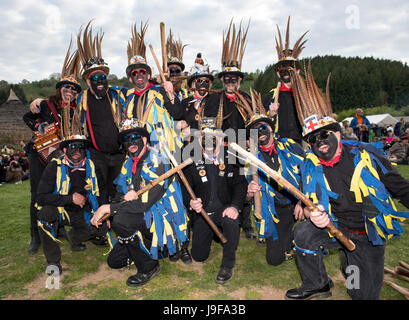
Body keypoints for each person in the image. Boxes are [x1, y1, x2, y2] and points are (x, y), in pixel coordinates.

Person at [284, 64, 409, 300]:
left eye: (324, 134)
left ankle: (351, 260)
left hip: (367, 231)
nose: (319, 142)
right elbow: (310, 200)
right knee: (303, 234)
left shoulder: (367, 156)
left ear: (338, 134)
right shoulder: (310, 164)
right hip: (335, 225)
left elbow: (400, 187)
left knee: (360, 294)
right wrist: (313, 214)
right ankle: (318, 284)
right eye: (312, 139)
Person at [90, 112, 188, 287]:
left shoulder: (159, 161)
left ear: (144, 140)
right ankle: (146, 247)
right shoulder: (128, 163)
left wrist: (109, 209)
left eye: (135, 137)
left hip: (160, 220)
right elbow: (120, 193)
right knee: (115, 261)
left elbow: (144, 204)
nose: (130, 143)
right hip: (139, 214)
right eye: (126, 139)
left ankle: (149, 267)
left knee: (121, 221)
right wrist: (115, 205)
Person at [23, 42, 81, 254]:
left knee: (60, 192)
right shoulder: (46, 104)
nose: (70, 91)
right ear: (60, 88)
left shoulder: (76, 111)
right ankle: (35, 236)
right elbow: (27, 117)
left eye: (74, 89)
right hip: (39, 156)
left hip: (60, 158)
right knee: (38, 194)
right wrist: (39, 125)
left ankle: (57, 229)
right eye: (67, 87)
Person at [36, 110, 110, 275]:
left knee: (102, 228)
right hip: (61, 209)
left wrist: (104, 213)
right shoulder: (54, 166)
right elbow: (41, 197)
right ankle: (53, 262)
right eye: (72, 146)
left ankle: (74, 237)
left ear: (85, 150)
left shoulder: (93, 166)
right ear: (64, 150)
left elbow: (102, 191)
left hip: (83, 212)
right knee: (45, 215)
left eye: (80, 146)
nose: (77, 150)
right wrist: (70, 198)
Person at [236, 89, 305, 265]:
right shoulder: (249, 161)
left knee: (306, 234)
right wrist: (250, 193)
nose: (260, 132)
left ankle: (306, 235)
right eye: (254, 131)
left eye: (263, 127)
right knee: (274, 260)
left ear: (271, 127)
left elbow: (311, 177)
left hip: (298, 204)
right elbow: (245, 198)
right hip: (275, 210)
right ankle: (290, 237)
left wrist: (302, 202)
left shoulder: (291, 147)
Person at [182, 114, 247, 284]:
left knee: (231, 222)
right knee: (198, 256)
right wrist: (191, 201)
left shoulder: (231, 157)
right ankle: (211, 234)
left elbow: (241, 184)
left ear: (220, 138)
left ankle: (227, 265)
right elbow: (184, 187)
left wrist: (234, 206)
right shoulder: (191, 159)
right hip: (202, 212)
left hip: (224, 208)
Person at [123, 22, 183, 156]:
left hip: (163, 150)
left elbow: (178, 113)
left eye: (142, 71)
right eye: (134, 73)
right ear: (130, 79)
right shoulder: (128, 98)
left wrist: (171, 94)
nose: (139, 75)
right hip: (138, 150)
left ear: (148, 75)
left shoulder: (160, 91)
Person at [262, 16, 308, 145]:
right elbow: (260, 123)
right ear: (278, 74)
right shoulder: (271, 95)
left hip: (303, 143)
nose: (286, 72)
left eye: (290, 68)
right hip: (279, 144)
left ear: (297, 71)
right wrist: (270, 114)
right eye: (282, 70)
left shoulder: (306, 95)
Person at [166, 29, 190, 101]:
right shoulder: (157, 92)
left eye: (177, 71)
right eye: (171, 70)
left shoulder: (187, 94)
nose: (174, 73)